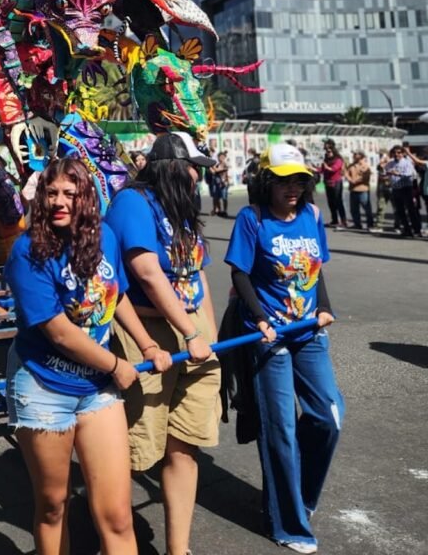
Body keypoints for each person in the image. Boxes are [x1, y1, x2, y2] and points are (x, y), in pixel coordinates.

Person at [4, 157, 171, 555]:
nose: (59, 202)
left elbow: (116, 295)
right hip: (44, 387)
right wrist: (116, 365)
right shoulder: (27, 252)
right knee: (53, 505)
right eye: (51, 193)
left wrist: (147, 344)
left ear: (88, 199)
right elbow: (60, 332)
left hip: (96, 388)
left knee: (117, 515)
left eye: (70, 193)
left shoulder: (105, 236)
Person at [105, 132, 221, 555]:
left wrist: (208, 334)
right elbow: (147, 272)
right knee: (137, 446)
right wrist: (190, 333)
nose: (198, 177)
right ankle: (116, 542)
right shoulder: (133, 202)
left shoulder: (182, 208)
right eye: (193, 168)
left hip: (192, 330)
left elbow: (198, 273)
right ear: (172, 167)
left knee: (184, 443)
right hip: (148, 331)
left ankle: (179, 548)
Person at [225, 143, 343, 554]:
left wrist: (324, 307)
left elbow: (316, 270)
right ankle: (288, 525)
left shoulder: (311, 215)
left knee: (329, 416)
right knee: (280, 429)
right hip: (268, 337)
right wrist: (260, 320)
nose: (292, 187)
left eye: (298, 180)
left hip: (309, 332)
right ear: (266, 182)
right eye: (282, 180)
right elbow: (240, 274)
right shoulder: (252, 218)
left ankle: (298, 496)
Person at [385, 145, 419, 237]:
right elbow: (384, 171)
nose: (396, 154)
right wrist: (386, 173)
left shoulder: (407, 163)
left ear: (403, 153)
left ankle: (416, 230)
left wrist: (397, 173)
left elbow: (408, 174)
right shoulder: (390, 163)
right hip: (395, 189)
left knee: (411, 210)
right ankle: (407, 230)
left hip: (406, 189)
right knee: (400, 211)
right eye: (394, 153)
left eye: (399, 152)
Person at [317, 141, 347, 230]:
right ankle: (334, 220)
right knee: (331, 202)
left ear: (333, 150)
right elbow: (321, 170)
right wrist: (312, 168)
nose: (327, 152)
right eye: (326, 150)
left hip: (336, 182)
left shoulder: (338, 159)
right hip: (328, 183)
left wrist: (326, 167)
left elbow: (334, 169)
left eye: (329, 151)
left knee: (338, 202)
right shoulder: (326, 160)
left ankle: (343, 221)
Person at [344, 152, 373, 231]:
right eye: (354, 156)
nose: (355, 157)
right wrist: (350, 180)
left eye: (357, 156)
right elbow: (346, 174)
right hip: (353, 189)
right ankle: (357, 224)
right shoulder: (351, 165)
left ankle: (370, 224)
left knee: (366, 208)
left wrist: (355, 181)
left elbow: (365, 177)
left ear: (361, 157)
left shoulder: (365, 166)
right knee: (354, 209)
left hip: (363, 189)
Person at [211, 151, 230, 217]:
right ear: (218, 157)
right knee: (216, 197)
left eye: (223, 157)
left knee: (224, 198)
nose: (221, 158)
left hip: (224, 183)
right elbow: (214, 171)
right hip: (217, 183)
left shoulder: (225, 163)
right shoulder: (217, 164)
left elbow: (227, 168)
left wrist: (219, 169)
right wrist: (220, 169)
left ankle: (225, 211)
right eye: (220, 157)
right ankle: (219, 210)